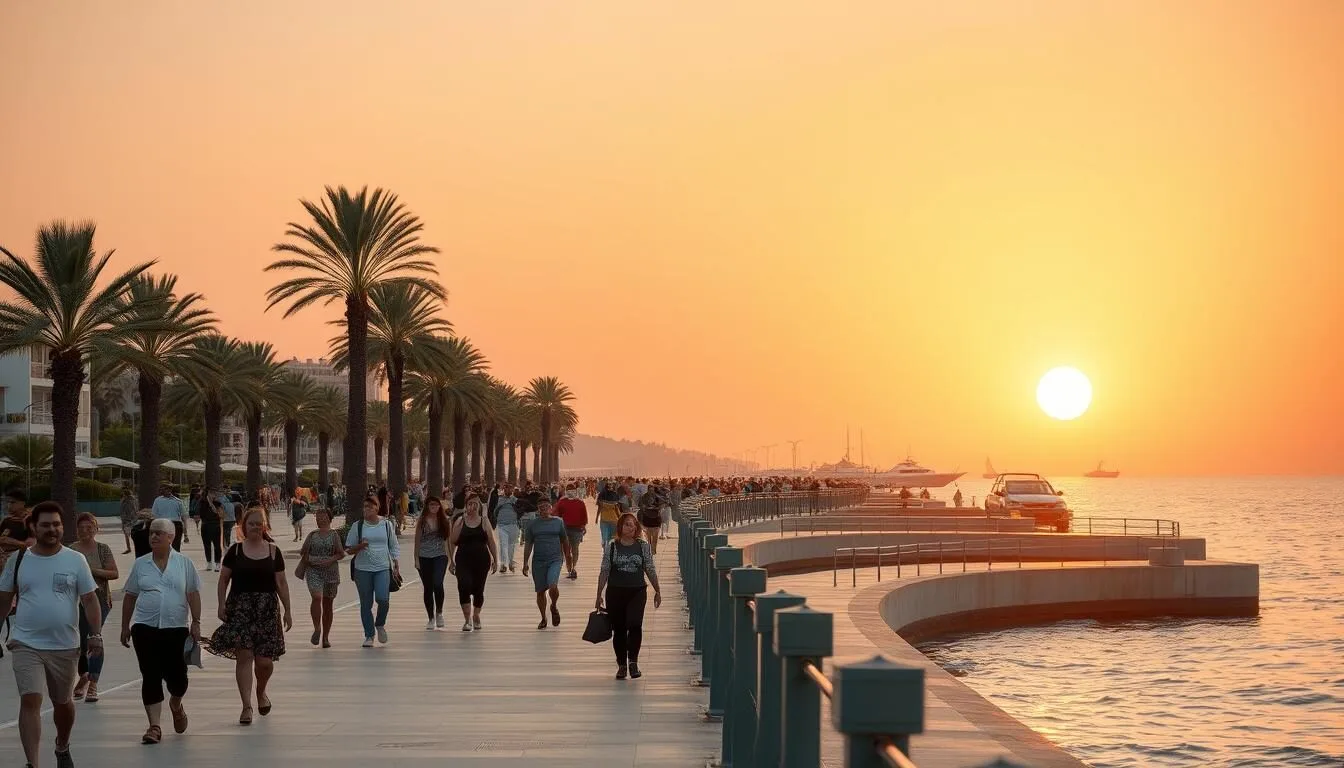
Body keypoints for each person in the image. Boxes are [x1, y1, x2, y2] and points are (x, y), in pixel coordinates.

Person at [0, 501, 103, 768]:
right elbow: (3, 600)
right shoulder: (19, 560)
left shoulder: (75, 559)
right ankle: (32, 763)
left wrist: (96, 634)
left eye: (56, 524)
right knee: (31, 698)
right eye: (45, 525)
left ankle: (62, 745)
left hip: (65, 645)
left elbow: (90, 600)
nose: (52, 529)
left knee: (63, 704)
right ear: (33, 527)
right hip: (25, 643)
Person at [207, 504, 291, 726]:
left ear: (265, 526)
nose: (255, 527)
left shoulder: (274, 551)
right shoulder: (234, 551)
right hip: (241, 609)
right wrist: (220, 604)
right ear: (244, 525)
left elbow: (281, 582)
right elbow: (223, 579)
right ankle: (246, 706)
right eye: (251, 523)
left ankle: (261, 691)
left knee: (264, 662)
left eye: (259, 523)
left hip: (267, 610)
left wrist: (288, 610)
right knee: (244, 657)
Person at [119, 518, 202, 745]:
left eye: (159, 533)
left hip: (176, 629)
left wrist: (196, 622)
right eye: (151, 533)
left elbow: (193, 594)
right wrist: (125, 625)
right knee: (150, 675)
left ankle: (176, 704)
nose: (153, 537)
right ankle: (154, 726)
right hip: (145, 628)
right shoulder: (141, 564)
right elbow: (130, 596)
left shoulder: (184, 563)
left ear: (171, 537)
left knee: (179, 679)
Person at [595, 512, 662, 680]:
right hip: (616, 591)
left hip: (637, 590)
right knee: (619, 629)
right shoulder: (612, 546)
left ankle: (633, 662)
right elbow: (605, 569)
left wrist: (657, 590)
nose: (630, 527)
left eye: (633, 524)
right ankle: (622, 665)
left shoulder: (642, 546)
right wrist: (598, 594)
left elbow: (649, 568)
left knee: (635, 624)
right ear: (620, 527)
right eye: (626, 524)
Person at [69, 514, 117, 704]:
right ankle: (84, 675)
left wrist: (90, 570)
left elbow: (113, 573)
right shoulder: (71, 550)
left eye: (90, 528)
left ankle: (93, 682)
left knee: (94, 637)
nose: (85, 531)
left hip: (99, 600)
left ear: (96, 529)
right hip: (76, 601)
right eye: (81, 528)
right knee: (79, 641)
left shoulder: (103, 549)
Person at [345, 494, 401, 647]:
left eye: (370, 506)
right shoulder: (358, 525)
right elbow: (349, 549)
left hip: (382, 567)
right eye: (365, 506)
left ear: (377, 507)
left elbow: (393, 545)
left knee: (383, 599)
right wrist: (360, 546)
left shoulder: (386, 525)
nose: (367, 509)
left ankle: (380, 624)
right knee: (366, 603)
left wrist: (396, 562)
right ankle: (369, 635)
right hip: (362, 569)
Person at [447, 497, 498, 632]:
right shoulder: (460, 521)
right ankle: (467, 619)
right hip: (463, 559)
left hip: (481, 560)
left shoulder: (484, 521)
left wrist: (496, 559)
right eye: (470, 504)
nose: (473, 506)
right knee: (464, 585)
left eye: (475, 504)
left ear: (479, 507)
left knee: (478, 589)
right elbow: (452, 540)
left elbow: (491, 541)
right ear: (466, 506)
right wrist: (451, 561)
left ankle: (476, 615)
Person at [522, 498, 572, 630]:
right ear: (538, 510)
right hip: (538, 560)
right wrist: (525, 562)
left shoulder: (558, 522)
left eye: (546, 507)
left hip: (555, 559)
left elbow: (564, 539)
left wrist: (568, 556)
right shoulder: (533, 524)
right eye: (541, 507)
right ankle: (543, 617)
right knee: (540, 591)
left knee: (553, 585)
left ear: (551, 508)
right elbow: (528, 543)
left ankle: (554, 605)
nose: (543, 509)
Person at [298, 507, 344, 648]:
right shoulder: (312, 535)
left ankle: (325, 637)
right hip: (313, 570)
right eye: (318, 517)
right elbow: (302, 552)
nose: (320, 519)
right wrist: (310, 558)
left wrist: (330, 560)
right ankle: (317, 628)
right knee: (317, 597)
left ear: (329, 518)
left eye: (323, 516)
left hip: (330, 572)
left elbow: (341, 553)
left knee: (328, 605)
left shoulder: (334, 535)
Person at [413, 497, 450, 630]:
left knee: (437, 583)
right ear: (427, 506)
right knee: (428, 587)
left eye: (436, 505)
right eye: (431, 505)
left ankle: (439, 612)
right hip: (424, 557)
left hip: (440, 555)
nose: (434, 507)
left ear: (440, 507)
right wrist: (416, 558)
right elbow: (417, 540)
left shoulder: (444, 521)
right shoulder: (422, 521)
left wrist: (451, 558)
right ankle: (430, 618)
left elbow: (448, 541)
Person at [555, 484, 588, 579]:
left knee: (575, 549)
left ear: (575, 490)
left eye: (572, 489)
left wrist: (583, 526)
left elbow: (584, 516)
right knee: (566, 551)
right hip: (564, 529)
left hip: (577, 529)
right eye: (568, 490)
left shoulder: (580, 502)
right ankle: (569, 569)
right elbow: (558, 515)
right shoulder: (562, 502)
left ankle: (574, 568)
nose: (571, 491)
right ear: (566, 491)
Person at [0, 489, 34, 572]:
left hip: (22, 562)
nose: (9, 506)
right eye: (7, 502)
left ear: (22, 503)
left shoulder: (29, 520)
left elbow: (32, 544)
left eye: (12, 502)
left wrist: (10, 542)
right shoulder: (7, 520)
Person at [493, 485, 521, 573]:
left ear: (512, 490)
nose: (508, 490)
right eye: (506, 488)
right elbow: (495, 511)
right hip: (502, 525)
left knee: (511, 545)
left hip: (513, 524)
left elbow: (520, 510)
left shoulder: (515, 500)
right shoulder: (500, 499)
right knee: (503, 544)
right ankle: (503, 565)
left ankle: (510, 562)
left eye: (510, 488)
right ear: (504, 490)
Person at [150, 485, 185, 551]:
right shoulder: (158, 500)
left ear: (169, 490)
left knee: (175, 546)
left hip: (171, 524)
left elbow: (154, 515)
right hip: (168, 524)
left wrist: (185, 533)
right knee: (170, 546)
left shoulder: (178, 501)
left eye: (164, 489)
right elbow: (154, 514)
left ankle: (172, 559)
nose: (162, 491)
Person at [197, 494, 223, 572]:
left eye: (213, 493)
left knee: (217, 545)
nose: (211, 495)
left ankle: (218, 563)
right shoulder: (202, 503)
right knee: (206, 545)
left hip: (215, 525)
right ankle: (209, 562)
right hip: (205, 525)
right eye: (209, 493)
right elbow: (199, 514)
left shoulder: (218, 503)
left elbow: (220, 514)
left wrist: (211, 504)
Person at [638, 484, 663, 554]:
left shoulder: (657, 497)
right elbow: (640, 505)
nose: (651, 491)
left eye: (652, 490)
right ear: (648, 490)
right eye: (650, 490)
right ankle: (650, 550)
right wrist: (645, 507)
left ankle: (653, 550)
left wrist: (655, 508)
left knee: (655, 537)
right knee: (648, 538)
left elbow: (661, 505)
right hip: (647, 519)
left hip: (656, 519)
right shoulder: (644, 497)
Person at [596, 481, 621, 547]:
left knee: (605, 536)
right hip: (614, 519)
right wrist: (620, 518)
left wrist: (596, 518)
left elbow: (599, 508)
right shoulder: (615, 495)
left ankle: (604, 546)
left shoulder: (601, 495)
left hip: (604, 519)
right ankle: (610, 550)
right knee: (612, 537)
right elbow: (617, 509)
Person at [118, 485, 137, 554]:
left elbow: (132, 511)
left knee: (129, 535)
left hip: (128, 520)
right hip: (128, 520)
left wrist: (127, 519)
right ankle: (129, 548)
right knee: (128, 535)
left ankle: (129, 548)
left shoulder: (129, 501)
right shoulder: (128, 500)